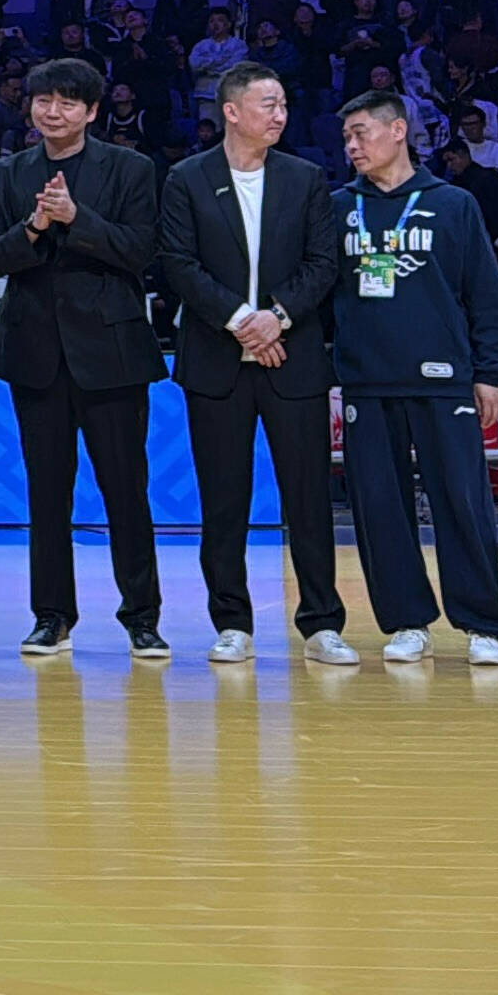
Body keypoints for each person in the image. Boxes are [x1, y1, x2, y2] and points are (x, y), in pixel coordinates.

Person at [156, 65, 354, 665]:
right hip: (216, 361)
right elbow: (178, 263)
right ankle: (232, 622)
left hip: (292, 358)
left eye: (284, 104)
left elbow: (323, 262)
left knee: (308, 497)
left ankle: (322, 623)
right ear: (231, 111)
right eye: (268, 104)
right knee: (223, 499)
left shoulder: (305, 177)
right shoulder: (187, 178)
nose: (280, 115)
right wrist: (243, 319)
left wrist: (278, 317)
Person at [0, 58, 167, 657]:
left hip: (111, 353)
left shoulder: (130, 168)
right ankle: (51, 615)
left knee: (125, 489)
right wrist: (34, 227)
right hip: (34, 353)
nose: (52, 112)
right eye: (43, 101)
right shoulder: (5, 172)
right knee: (46, 492)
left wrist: (77, 219)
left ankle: (142, 616)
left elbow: (141, 251)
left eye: (67, 103)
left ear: (91, 111)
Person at [333, 91, 498, 666]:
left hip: (444, 378)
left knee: (462, 501)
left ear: (398, 131)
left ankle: (483, 624)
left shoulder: (453, 203)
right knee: (379, 509)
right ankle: (407, 622)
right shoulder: (337, 206)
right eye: (346, 137)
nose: (352, 146)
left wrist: (490, 372)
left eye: (361, 133)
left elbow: (484, 293)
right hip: (367, 381)